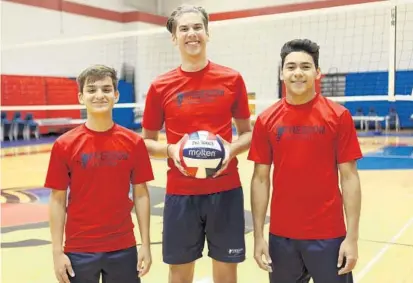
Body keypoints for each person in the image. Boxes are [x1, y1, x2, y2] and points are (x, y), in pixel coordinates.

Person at [141, 4, 252, 283]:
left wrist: (231, 148)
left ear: (207, 33)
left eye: (197, 27)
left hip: (225, 191)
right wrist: (172, 150)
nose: (192, 34)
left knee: (226, 273)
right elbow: (146, 143)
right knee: (179, 274)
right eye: (184, 29)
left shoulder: (232, 79)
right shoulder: (160, 86)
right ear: (174, 38)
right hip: (181, 193)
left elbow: (248, 134)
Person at [248, 39, 362, 283]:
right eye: (290, 67)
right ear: (282, 73)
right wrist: (258, 236)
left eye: (305, 66)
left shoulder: (339, 116)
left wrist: (351, 238)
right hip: (282, 238)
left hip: (329, 236)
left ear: (317, 72)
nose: (297, 73)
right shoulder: (266, 120)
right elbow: (260, 179)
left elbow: (350, 177)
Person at [45, 65, 153, 283]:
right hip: (79, 248)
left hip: (123, 246)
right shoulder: (64, 145)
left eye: (106, 89)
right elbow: (57, 200)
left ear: (116, 95)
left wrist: (146, 245)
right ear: (80, 97)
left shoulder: (134, 142)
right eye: (92, 90)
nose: (99, 95)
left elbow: (141, 194)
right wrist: (57, 252)